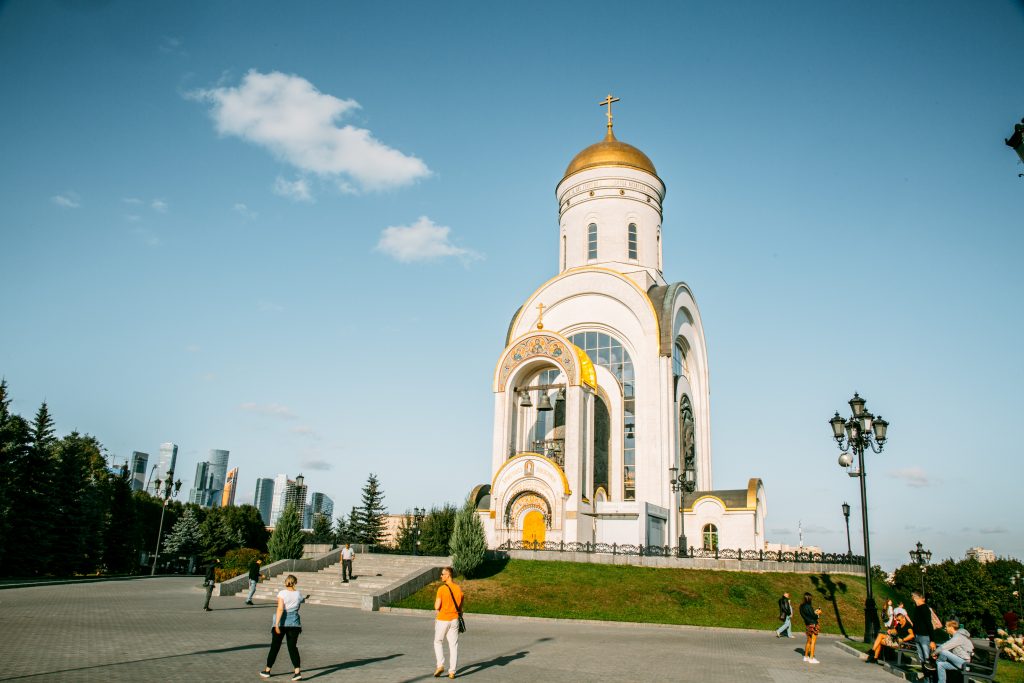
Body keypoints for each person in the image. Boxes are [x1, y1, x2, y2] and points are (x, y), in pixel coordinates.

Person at [260, 574, 308, 681]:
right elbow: (298, 607)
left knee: (275, 647)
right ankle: (297, 672)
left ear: (286, 582)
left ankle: (267, 670)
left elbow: (280, 609)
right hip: (294, 623)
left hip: (282, 622)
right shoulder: (298, 594)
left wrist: (276, 624)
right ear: (295, 582)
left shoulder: (282, 593)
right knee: (292, 648)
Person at [433, 566, 464, 679]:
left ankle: (440, 665)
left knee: (438, 642)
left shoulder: (441, 589)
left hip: (443, 619)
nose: (441, 576)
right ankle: (452, 672)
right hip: (454, 619)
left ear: (448, 575)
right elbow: (460, 608)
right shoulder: (458, 589)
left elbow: (436, 606)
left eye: (442, 574)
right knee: (453, 645)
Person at [929, 619, 974, 683]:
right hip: (959, 662)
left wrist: (933, 654)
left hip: (964, 663)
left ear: (951, 627)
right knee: (940, 664)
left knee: (943, 651)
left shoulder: (958, 637)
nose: (945, 628)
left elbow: (943, 647)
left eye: (946, 626)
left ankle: (933, 665)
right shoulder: (957, 636)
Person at [910, 591, 936, 665]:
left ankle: (929, 676)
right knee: (921, 659)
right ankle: (925, 674)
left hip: (924, 636)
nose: (913, 600)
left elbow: (929, 624)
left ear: (916, 598)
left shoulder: (925, 608)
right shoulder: (917, 608)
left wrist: (932, 640)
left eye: (913, 598)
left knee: (927, 658)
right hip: (917, 635)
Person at [799, 592, 822, 664]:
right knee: (813, 642)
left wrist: (814, 612)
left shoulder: (801, 606)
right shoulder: (809, 606)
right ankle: (811, 658)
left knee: (809, 640)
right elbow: (813, 616)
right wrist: (818, 613)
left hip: (807, 624)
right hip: (813, 624)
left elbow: (809, 614)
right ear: (809, 598)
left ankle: (805, 657)